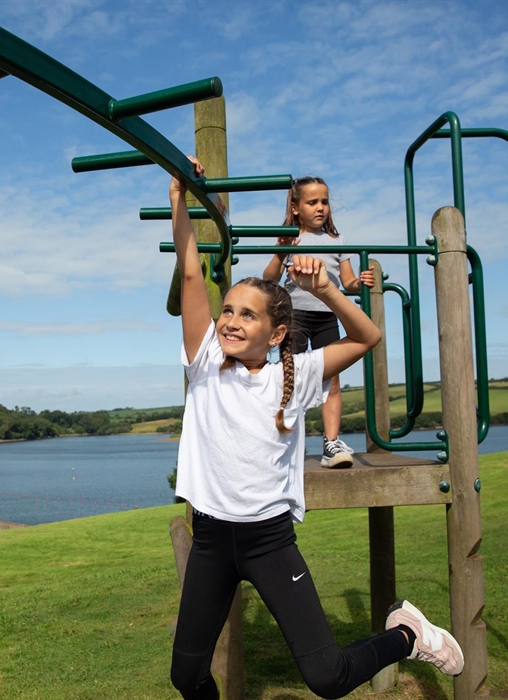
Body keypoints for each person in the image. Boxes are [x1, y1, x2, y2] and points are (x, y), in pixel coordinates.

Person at [169, 158, 464, 700]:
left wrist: (327, 289)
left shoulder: (296, 373)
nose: (230, 320)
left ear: (277, 333)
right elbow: (190, 274)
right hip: (210, 538)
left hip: (268, 541)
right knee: (186, 676)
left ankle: (407, 634)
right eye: (227, 310)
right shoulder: (205, 359)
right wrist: (178, 197)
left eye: (247, 315)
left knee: (327, 677)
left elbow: (367, 336)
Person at [263, 177, 374, 468]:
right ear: (295, 207)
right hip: (295, 317)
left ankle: (331, 443)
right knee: (291, 379)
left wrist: (360, 282)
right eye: (312, 202)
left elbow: (347, 282)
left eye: (324, 201)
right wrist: (281, 251)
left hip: (327, 316)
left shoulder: (338, 241)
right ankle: (287, 441)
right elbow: (269, 279)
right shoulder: (290, 238)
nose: (321, 207)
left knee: (332, 381)